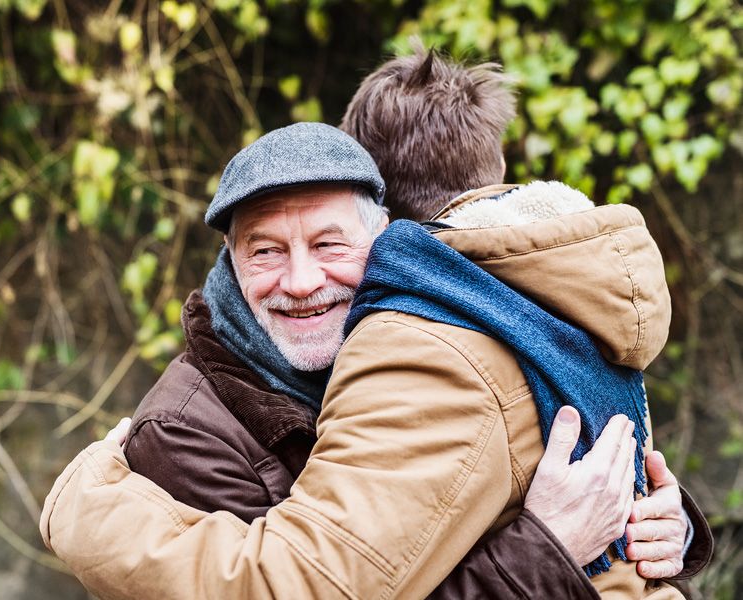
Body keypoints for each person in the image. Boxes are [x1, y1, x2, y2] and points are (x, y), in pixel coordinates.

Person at [40, 56, 711, 598]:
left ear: (390, 240)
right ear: (231, 260)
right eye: (266, 251)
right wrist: (548, 553)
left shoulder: (439, 334)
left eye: (330, 245)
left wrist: (655, 523)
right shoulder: (188, 430)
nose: (301, 281)